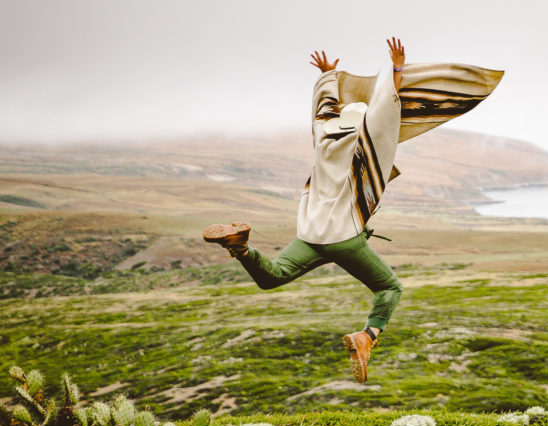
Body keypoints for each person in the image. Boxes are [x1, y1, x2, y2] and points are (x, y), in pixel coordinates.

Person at [203, 39, 502, 384]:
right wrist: (396, 70)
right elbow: (386, 108)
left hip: (311, 234)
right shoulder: (365, 140)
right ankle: (367, 337)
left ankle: (240, 246)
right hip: (345, 237)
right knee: (389, 289)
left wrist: (328, 76)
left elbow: (323, 106)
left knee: (272, 277)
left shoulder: (322, 134)